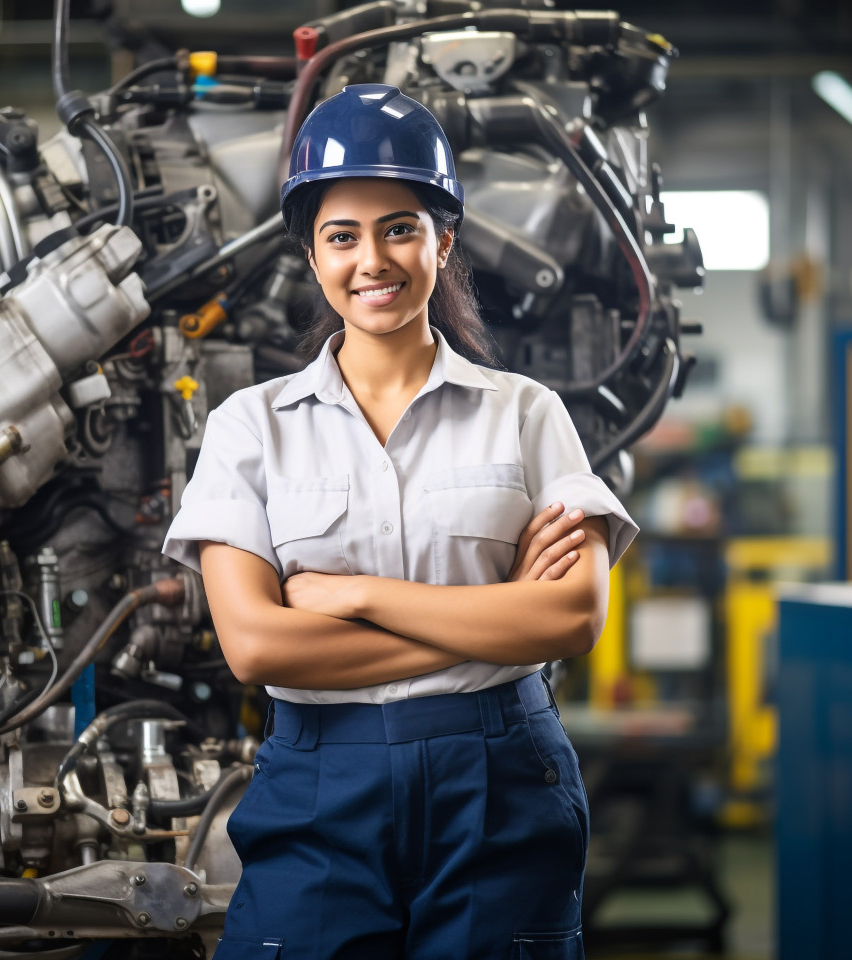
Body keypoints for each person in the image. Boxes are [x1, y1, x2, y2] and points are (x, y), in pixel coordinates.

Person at [163, 83, 638, 960]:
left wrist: (353, 594)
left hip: (500, 782)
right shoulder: (250, 427)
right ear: (311, 254)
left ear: (443, 240)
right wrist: (500, 625)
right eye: (341, 236)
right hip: (318, 782)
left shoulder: (527, 415)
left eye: (400, 228)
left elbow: (573, 616)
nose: (371, 260)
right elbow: (259, 648)